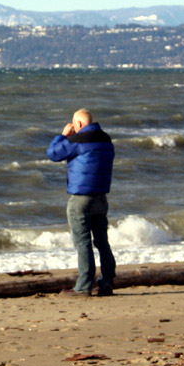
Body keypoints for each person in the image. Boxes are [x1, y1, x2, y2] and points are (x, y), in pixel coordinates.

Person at [47, 108, 116, 296]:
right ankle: (107, 282)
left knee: (83, 241)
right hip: (101, 196)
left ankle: (84, 286)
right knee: (102, 241)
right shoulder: (106, 139)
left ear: (78, 124)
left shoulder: (77, 140)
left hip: (81, 198)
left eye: (74, 125)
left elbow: (53, 154)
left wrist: (62, 136)